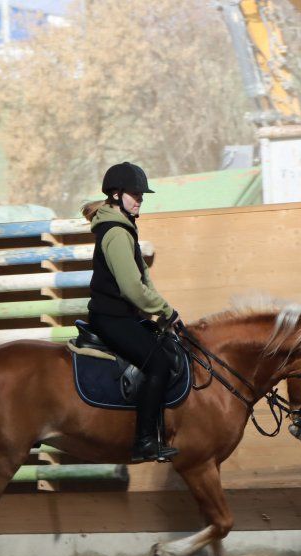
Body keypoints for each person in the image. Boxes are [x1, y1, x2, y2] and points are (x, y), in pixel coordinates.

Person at [81, 162, 181, 463]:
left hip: (123, 315)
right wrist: (166, 310)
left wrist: (165, 312)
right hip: (112, 317)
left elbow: (143, 279)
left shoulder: (124, 227)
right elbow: (131, 287)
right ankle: (144, 441)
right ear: (115, 194)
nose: (140, 199)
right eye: (134, 194)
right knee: (159, 364)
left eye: (142, 194)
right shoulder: (115, 232)